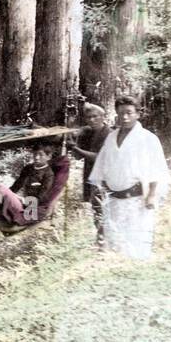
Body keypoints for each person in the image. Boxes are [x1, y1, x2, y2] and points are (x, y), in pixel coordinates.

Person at [88, 96, 169, 260]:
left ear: (138, 114)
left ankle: (137, 268)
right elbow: (103, 164)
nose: (124, 117)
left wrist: (152, 195)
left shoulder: (148, 138)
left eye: (129, 113)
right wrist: (100, 189)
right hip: (113, 198)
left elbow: (157, 169)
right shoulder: (111, 137)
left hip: (137, 198)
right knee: (115, 241)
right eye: (120, 113)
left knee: (136, 242)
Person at [0, 143, 56, 223]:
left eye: (41, 155)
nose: (36, 157)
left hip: (27, 205)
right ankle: (3, 201)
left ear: (49, 157)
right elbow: (17, 185)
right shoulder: (28, 168)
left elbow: (41, 197)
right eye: (35, 154)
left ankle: (7, 205)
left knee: (0, 189)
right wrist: (11, 193)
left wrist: (22, 200)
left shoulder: (48, 174)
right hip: (16, 197)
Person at [71, 103, 110, 243]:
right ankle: (100, 240)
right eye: (89, 117)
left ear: (103, 117)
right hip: (90, 175)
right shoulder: (88, 132)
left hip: (105, 177)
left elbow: (98, 157)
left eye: (95, 116)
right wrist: (74, 139)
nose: (92, 120)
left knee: (103, 207)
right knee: (95, 207)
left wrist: (76, 149)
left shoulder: (108, 134)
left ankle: (105, 241)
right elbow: (77, 157)